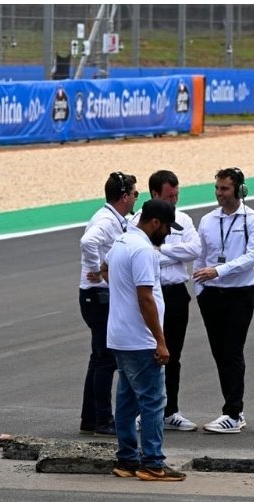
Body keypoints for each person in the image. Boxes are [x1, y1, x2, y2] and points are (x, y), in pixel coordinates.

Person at [106, 199, 186, 481]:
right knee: (153, 401)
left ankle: (127, 459)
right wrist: (160, 340)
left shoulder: (121, 242)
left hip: (119, 336)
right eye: (166, 227)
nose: (167, 233)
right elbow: (145, 297)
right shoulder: (143, 250)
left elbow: (104, 270)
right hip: (140, 339)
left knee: (127, 402)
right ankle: (153, 462)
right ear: (154, 223)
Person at [193, 167, 254, 433]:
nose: (219, 194)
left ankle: (233, 413)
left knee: (232, 351)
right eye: (217, 188)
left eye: (224, 189)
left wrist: (218, 271)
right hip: (211, 294)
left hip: (240, 293)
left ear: (239, 190)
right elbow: (201, 255)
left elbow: (252, 257)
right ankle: (234, 408)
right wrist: (200, 289)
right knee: (219, 353)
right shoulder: (207, 220)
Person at [130, 170, 200, 432]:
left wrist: (162, 250)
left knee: (174, 354)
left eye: (177, 195)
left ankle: (171, 410)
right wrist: (169, 254)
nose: (175, 200)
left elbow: (195, 249)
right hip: (151, 291)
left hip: (177, 291)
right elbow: (146, 256)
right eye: (170, 196)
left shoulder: (183, 218)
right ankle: (144, 409)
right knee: (148, 351)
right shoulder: (137, 221)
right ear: (155, 194)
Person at [78, 171, 138, 437]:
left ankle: (90, 418)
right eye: (135, 193)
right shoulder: (105, 219)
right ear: (124, 196)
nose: (137, 197)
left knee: (99, 358)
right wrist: (97, 270)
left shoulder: (115, 218)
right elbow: (88, 242)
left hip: (96, 295)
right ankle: (102, 419)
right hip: (97, 295)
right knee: (105, 359)